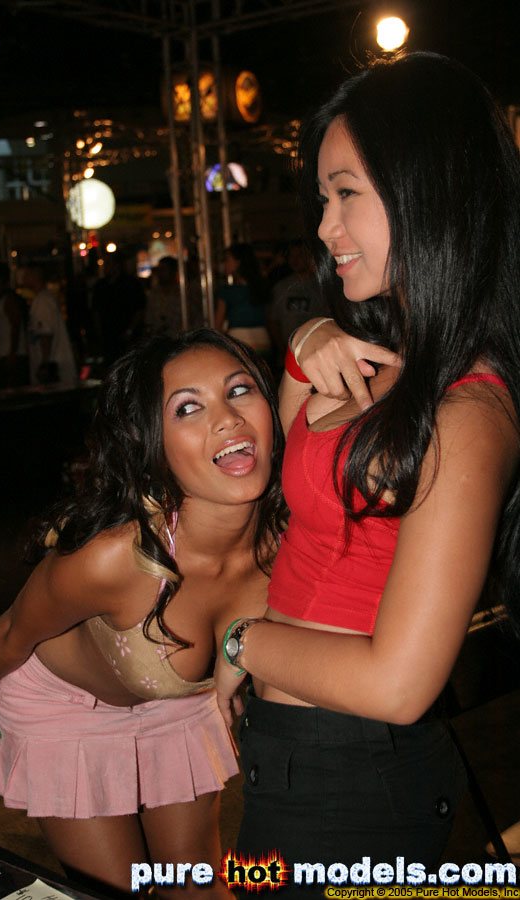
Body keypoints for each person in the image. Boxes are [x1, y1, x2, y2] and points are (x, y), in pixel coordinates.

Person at [215, 52, 520, 889]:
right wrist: (307, 343)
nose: (324, 227)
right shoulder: (394, 362)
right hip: (298, 756)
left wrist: (243, 639)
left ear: (430, 193)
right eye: (323, 198)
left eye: (346, 193)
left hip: (352, 774)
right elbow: (284, 466)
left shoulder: (469, 410)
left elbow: (399, 685)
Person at [0, 328, 286, 896]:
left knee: (196, 887)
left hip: (178, 710)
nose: (227, 419)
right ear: (154, 445)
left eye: (239, 390)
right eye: (188, 408)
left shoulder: (291, 544)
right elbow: (11, 633)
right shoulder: (114, 559)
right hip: (63, 712)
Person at [267, 239, 331, 358]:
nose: (295, 260)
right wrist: (281, 348)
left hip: (317, 350)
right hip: (289, 350)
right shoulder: (281, 287)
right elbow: (273, 321)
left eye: (300, 255)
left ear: (309, 257)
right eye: (291, 256)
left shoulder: (321, 286)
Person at [22, 263, 77, 387]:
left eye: (26, 274)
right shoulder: (42, 299)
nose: (22, 278)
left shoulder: (42, 301)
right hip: (52, 366)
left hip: (53, 369)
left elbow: (45, 334)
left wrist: (45, 365)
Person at [214, 243, 271, 357]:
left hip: (238, 341)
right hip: (263, 339)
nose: (224, 264)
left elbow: (218, 324)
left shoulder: (227, 291)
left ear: (238, 262)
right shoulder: (262, 287)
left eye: (227, 259)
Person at [0, 261, 30, 389]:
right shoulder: (0, 300)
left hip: (10, 354)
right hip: (5, 353)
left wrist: (12, 352)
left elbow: (15, 325)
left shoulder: (8, 299)